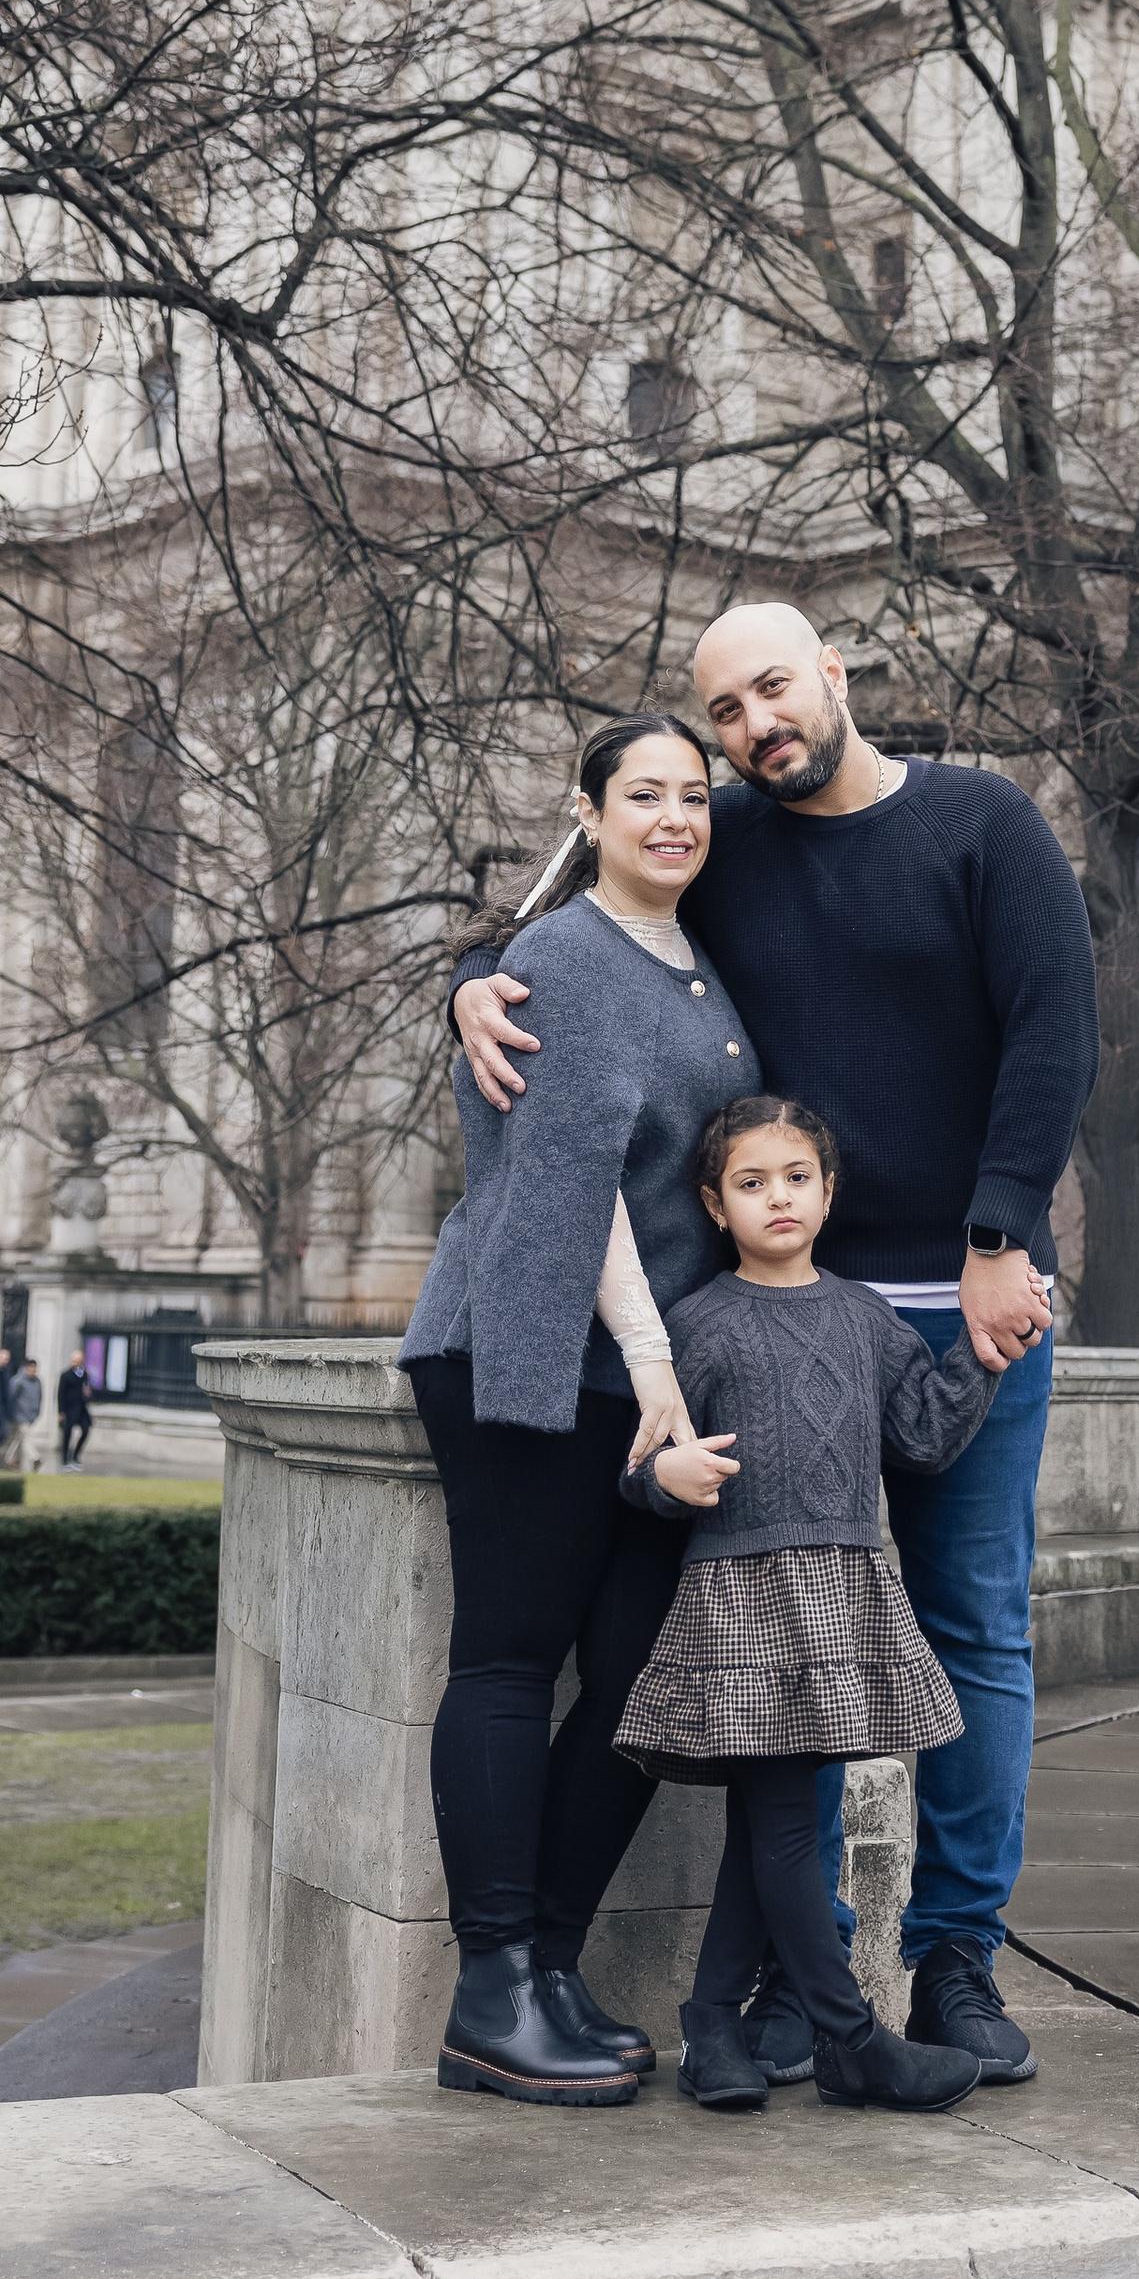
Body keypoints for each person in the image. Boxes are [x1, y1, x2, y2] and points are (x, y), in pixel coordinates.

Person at [454, 600, 1096, 2088]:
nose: (754, 727)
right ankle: (771, 1987)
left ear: (837, 675)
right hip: (773, 1315)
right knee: (782, 1647)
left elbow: (1056, 1029)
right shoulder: (723, 832)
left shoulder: (984, 824)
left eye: (773, 690)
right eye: (727, 710)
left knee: (975, 1632)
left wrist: (1001, 1239)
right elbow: (571, 920)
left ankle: (954, 1966)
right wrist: (467, 983)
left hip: (965, 1297)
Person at [402, 710, 766, 2107]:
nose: (676, 816)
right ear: (590, 811)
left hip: (632, 1363)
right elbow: (575, 1188)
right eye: (646, 795)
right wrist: (660, 1370)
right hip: (529, 1346)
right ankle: (491, 1989)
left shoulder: (695, 970)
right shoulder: (560, 955)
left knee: (631, 1680)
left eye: (694, 796)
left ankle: (547, 1964)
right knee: (508, 1656)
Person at [619, 1099, 995, 2117]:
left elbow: (920, 1437)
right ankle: (850, 2040)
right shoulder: (696, 1323)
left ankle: (709, 2026)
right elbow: (641, 1466)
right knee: (785, 1827)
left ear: (828, 1192)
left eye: (795, 1177)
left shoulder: (864, 1316)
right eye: (750, 1183)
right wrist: (665, 1478)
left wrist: (982, 1357)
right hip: (743, 1602)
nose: (776, 1197)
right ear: (713, 1204)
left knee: (766, 1826)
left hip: (841, 1597)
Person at [57, 1347, 94, 1467]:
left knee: (85, 1430)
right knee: (67, 1434)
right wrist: (61, 1411)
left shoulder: (84, 1374)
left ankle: (75, 1455)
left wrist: (88, 1395)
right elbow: (60, 1394)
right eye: (74, 1361)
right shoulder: (66, 1375)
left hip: (81, 1408)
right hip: (69, 1408)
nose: (75, 1363)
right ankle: (65, 1459)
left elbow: (87, 1390)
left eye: (78, 1361)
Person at [12, 1357, 48, 1475]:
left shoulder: (37, 1381)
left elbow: (40, 1397)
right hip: (20, 1414)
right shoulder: (18, 1381)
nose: (33, 1370)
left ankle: (10, 1458)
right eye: (31, 1367)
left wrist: (37, 1412)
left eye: (35, 1368)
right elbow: (12, 1397)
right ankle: (35, 1458)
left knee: (20, 1437)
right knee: (27, 1437)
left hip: (31, 1414)